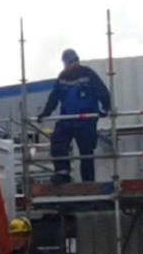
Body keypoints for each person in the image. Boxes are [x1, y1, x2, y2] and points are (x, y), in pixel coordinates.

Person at [37, 49, 111, 184]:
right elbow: (54, 98)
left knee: (86, 153)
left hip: (85, 119)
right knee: (59, 142)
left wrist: (105, 108)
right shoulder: (64, 77)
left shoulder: (87, 74)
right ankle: (62, 174)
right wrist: (45, 113)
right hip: (69, 119)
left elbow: (102, 92)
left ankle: (88, 182)